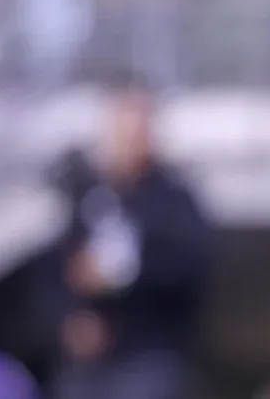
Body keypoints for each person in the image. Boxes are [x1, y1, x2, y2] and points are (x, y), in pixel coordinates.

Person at [49, 71, 213, 399]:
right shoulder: (84, 193)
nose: (129, 136)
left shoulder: (173, 198)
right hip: (87, 362)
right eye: (121, 125)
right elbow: (54, 267)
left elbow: (189, 266)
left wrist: (122, 275)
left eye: (137, 125)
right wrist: (71, 316)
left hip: (146, 357)